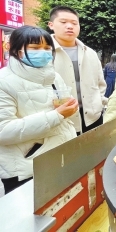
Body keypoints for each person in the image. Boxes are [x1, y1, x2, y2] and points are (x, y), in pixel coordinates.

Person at [0, 26, 77, 194]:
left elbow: (64, 111)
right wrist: (56, 115)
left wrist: (69, 109)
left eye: (47, 48)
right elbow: (3, 131)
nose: (43, 52)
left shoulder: (53, 76)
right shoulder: (3, 82)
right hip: (27, 169)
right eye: (34, 48)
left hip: (60, 156)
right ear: (16, 51)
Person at [48, 6, 107, 134]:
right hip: (61, 120)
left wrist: (99, 104)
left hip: (93, 117)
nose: (70, 26)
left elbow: (100, 83)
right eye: (63, 22)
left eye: (74, 23)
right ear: (51, 25)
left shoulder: (90, 53)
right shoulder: (45, 52)